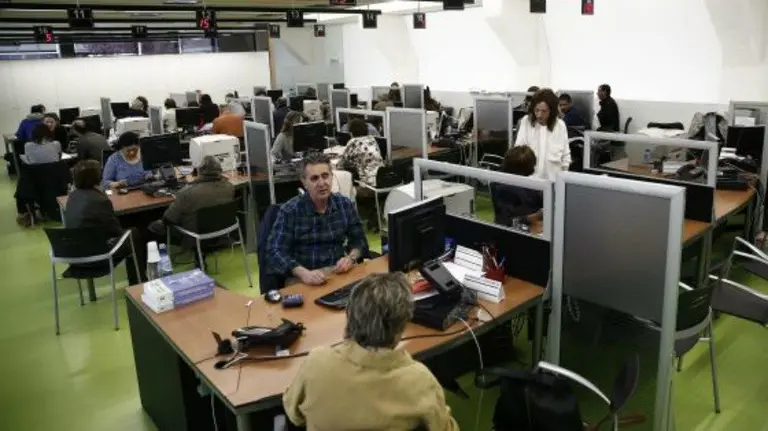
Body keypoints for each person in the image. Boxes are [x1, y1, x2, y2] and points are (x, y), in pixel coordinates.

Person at [283, 273, 459, 430]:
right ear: (401, 327)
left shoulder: (317, 363)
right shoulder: (419, 380)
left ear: (349, 314)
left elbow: (294, 415)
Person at [266, 152, 368, 285]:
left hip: (337, 272)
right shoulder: (290, 211)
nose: (322, 183)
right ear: (304, 182)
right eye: (314, 178)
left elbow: (359, 241)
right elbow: (274, 251)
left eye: (325, 176)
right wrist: (303, 273)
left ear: (332, 176)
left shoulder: (344, 205)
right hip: (303, 277)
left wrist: (350, 258)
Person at [63, 160, 146, 285]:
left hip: (75, 254)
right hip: (96, 258)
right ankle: (138, 282)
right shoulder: (100, 200)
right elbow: (116, 231)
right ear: (97, 177)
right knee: (133, 234)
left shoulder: (73, 196)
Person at [148, 156, 235, 252]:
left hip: (194, 237)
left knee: (153, 226)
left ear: (199, 171)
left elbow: (168, 219)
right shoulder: (229, 187)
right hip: (222, 233)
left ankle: (154, 261)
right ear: (220, 170)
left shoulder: (187, 192)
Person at [514, 88, 571, 182]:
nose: (539, 115)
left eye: (544, 111)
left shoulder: (560, 125)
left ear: (552, 111)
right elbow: (519, 150)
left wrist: (562, 178)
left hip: (553, 181)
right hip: (530, 181)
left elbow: (565, 156)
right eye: (537, 110)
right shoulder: (526, 122)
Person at [491, 146, 543, 226]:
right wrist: (535, 216)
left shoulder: (499, 182)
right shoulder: (504, 189)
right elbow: (505, 222)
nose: (534, 167)